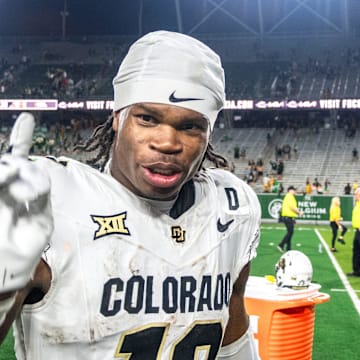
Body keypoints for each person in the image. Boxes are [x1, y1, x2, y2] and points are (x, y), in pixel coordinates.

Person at [0, 31, 261, 359]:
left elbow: (232, 342)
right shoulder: (52, 203)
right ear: (117, 118)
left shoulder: (231, 209)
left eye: (190, 126)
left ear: (208, 135)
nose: (167, 142)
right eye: (148, 118)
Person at [277, 186, 303, 253]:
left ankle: (288, 248)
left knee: (290, 232)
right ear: (290, 190)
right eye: (294, 190)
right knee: (290, 232)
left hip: (288, 217)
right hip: (288, 217)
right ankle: (281, 245)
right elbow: (292, 207)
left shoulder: (288, 196)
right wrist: (299, 212)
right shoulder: (290, 196)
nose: (295, 191)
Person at [348, 188, 360, 276]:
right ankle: (356, 271)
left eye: (356, 194)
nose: (355, 195)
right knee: (356, 251)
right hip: (357, 230)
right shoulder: (357, 204)